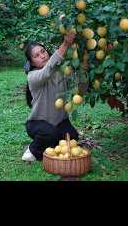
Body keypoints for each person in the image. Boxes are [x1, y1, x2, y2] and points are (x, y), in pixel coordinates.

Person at [22, 30, 86, 162]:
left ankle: (50, 146)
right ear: (32, 63)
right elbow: (48, 70)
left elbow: (79, 90)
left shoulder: (61, 72)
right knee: (49, 133)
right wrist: (66, 44)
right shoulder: (33, 77)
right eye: (36, 56)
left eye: (43, 51)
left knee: (73, 137)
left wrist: (84, 71)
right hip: (38, 123)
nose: (42, 56)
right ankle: (33, 149)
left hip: (60, 122)